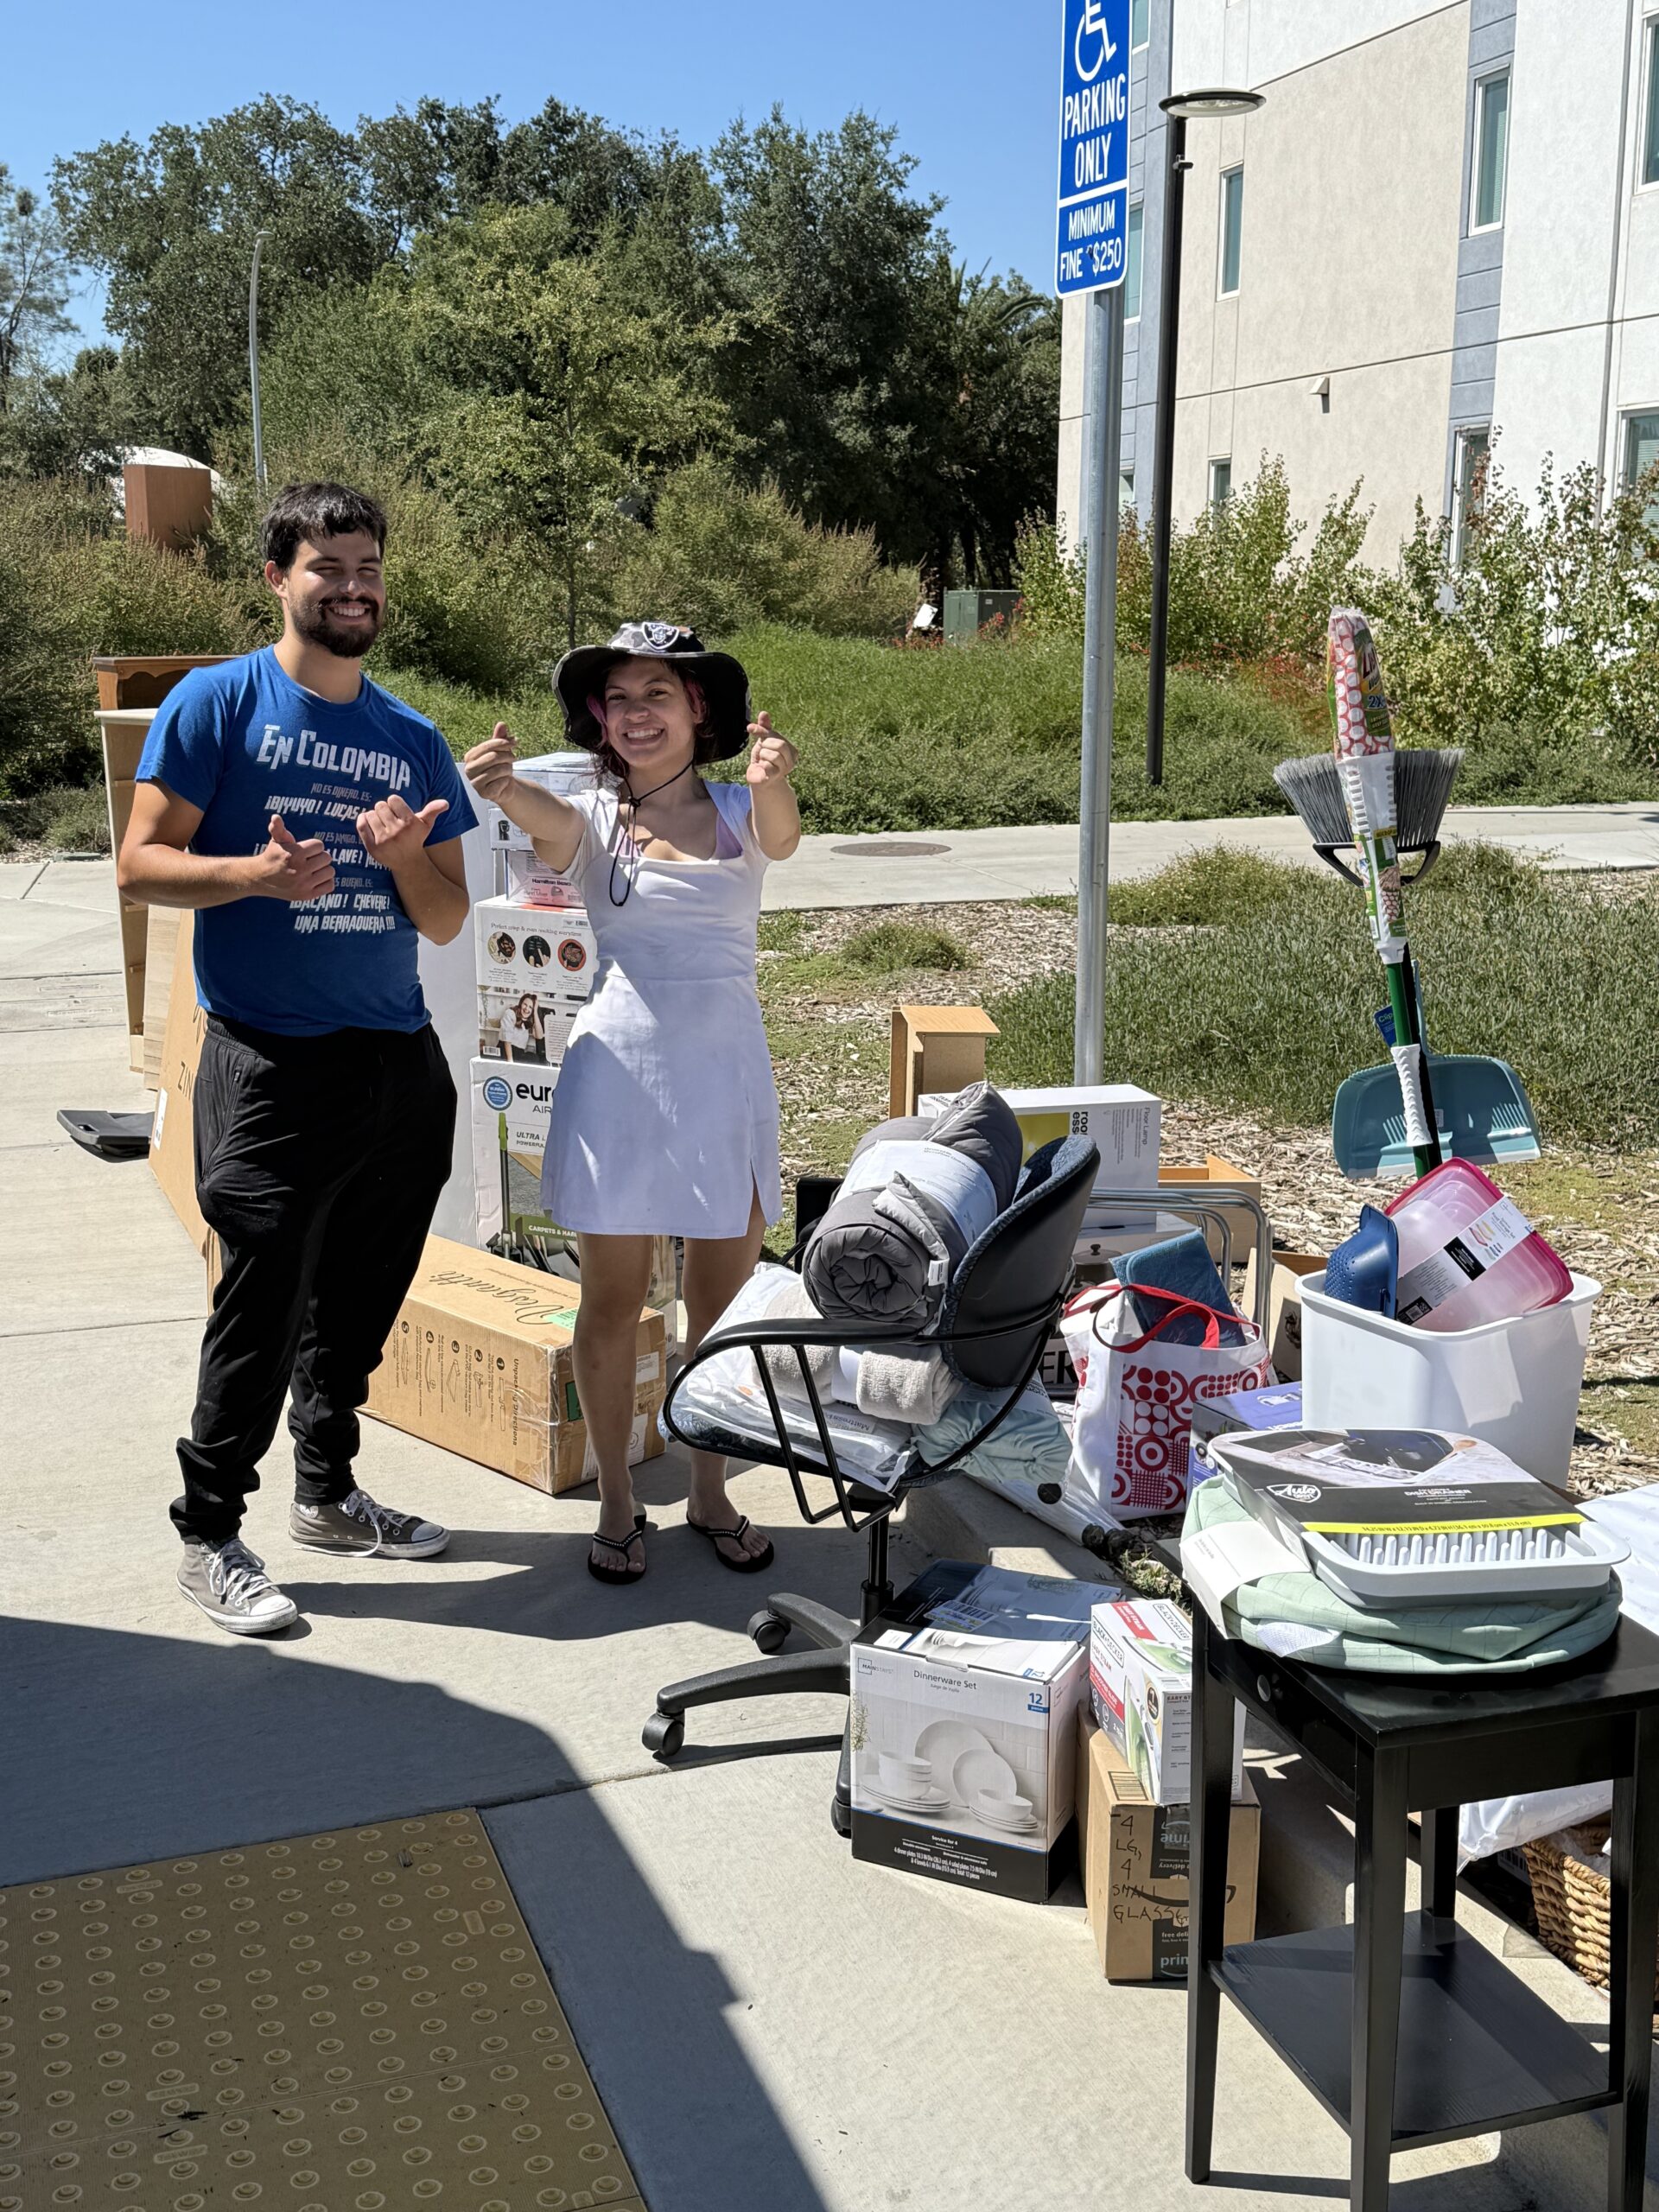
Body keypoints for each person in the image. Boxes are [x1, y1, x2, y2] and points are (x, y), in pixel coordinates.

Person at [118, 481, 477, 1635]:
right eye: (329, 569)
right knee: (259, 1309)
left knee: (361, 1304)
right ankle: (211, 1531)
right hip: (271, 1063)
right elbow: (138, 863)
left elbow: (445, 918)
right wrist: (256, 876)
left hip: (398, 1068)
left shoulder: (411, 738)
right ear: (279, 578)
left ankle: (326, 1493)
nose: (354, 588)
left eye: (368, 568)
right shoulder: (217, 704)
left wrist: (403, 853)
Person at [462, 620, 799, 1585]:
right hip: (619, 1078)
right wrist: (501, 784)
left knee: (719, 1306)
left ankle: (709, 1487)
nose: (637, 713)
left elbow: (783, 835)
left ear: (699, 708)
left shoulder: (743, 806)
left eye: (657, 693)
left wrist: (775, 777)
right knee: (610, 1301)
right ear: (600, 721)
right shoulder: (592, 820)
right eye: (619, 699)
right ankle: (617, 1498)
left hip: (725, 1078)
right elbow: (541, 817)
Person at [499, 991, 546, 1063]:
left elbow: (539, 1036)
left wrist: (535, 1012)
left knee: (536, 1058)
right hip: (506, 1051)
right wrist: (510, 1062)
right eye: (525, 1004)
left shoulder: (529, 1020)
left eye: (530, 1007)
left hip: (519, 1054)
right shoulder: (510, 1013)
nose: (527, 1009)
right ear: (521, 1004)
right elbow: (507, 1040)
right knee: (534, 1060)